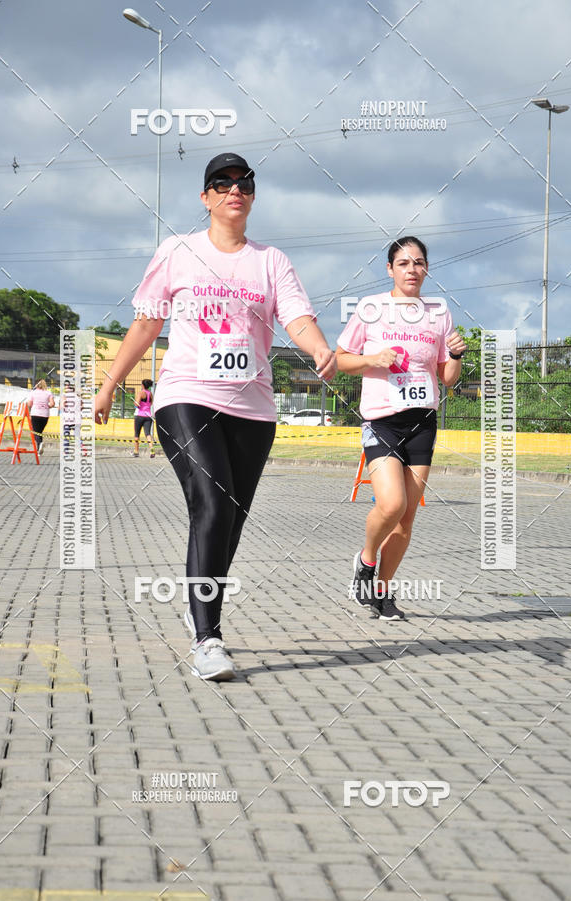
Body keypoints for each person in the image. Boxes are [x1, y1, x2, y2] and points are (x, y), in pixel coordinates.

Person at [94, 152, 336, 680]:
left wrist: (320, 350)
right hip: (186, 395)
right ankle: (208, 638)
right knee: (212, 503)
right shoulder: (177, 252)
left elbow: (298, 317)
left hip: (252, 408)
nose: (234, 189)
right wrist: (110, 384)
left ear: (252, 195)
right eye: (221, 182)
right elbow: (145, 325)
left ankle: (198, 601)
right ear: (205, 197)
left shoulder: (271, 261)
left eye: (243, 182)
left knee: (230, 522)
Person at [336, 236, 466, 620]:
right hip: (382, 419)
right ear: (390, 269)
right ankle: (365, 559)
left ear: (426, 269)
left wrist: (456, 355)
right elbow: (341, 360)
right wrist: (373, 359)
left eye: (419, 263)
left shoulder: (438, 312)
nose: (412, 270)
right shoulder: (371, 308)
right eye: (404, 263)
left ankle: (381, 591)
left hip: (423, 421)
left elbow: (449, 379)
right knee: (392, 504)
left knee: (407, 518)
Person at [27, 379, 55, 454]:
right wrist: (46, 406)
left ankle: (40, 444)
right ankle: (39, 448)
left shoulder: (33, 393)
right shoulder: (48, 393)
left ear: (36, 384)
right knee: (39, 432)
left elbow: (29, 404)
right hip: (45, 415)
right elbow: (52, 404)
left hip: (35, 413)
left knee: (35, 432)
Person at [133, 378, 155, 458]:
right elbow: (151, 403)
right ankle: (152, 449)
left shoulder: (141, 393)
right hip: (148, 416)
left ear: (142, 385)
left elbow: (136, 405)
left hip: (139, 416)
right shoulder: (151, 394)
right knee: (148, 434)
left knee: (137, 434)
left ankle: (136, 451)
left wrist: (135, 402)